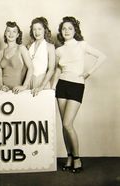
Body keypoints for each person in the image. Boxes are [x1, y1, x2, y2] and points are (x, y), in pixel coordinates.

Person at [51, 16, 106, 173]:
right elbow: (57, 70)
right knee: (64, 125)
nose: (66, 31)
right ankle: (69, 157)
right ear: (61, 32)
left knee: (68, 124)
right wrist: (51, 88)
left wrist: (88, 73)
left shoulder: (82, 45)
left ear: (75, 30)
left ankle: (77, 158)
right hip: (61, 86)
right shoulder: (58, 50)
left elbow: (102, 57)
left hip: (76, 86)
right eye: (64, 28)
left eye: (70, 28)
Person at [0, 21, 33, 94]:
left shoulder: (21, 48)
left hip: (17, 91)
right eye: (8, 31)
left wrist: (24, 86)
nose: (11, 34)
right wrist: (1, 86)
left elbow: (31, 68)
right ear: (5, 33)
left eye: (14, 31)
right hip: (3, 91)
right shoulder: (0, 53)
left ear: (17, 35)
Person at [28, 17, 55, 96]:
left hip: (42, 80)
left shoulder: (50, 46)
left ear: (45, 30)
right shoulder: (29, 46)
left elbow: (51, 69)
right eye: (34, 29)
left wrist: (41, 87)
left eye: (39, 29)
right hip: (29, 80)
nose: (37, 32)